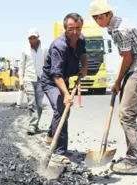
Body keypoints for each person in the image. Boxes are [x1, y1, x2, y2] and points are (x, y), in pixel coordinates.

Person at [89, 0, 137, 174]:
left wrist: (117, 81)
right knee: (126, 111)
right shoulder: (115, 25)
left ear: (108, 14)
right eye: (95, 18)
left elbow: (126, 58)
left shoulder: (118, 29)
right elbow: (125, 56)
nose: (97, 21)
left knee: (126, 114)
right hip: (136, 65)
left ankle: (133, 161)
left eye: (99, 17)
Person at [41, 13, 88, 164]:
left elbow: (82, 53)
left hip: (64, 79)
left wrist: (85, 67)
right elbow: (56, 75)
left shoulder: (80, 39)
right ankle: (59, 152)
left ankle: (50, 135)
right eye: (71, 29)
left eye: (78, 28)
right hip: (51, 82)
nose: (75, 32)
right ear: (65, 28)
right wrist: (67, 95)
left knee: (60, 110)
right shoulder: (58, 46)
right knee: (62, 109)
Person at [19, 28, 48, 135]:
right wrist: (21, 80)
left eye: (34, 38)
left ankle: (36, 125)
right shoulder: (25, 50)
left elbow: (47, 64)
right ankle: (32, 125)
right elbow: (21, 66)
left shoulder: (44, 49)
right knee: (32, 103)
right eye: (30, 38)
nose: (32, 40)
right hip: (28, 78)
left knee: (39, 104)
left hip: (41, 79)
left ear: (38, 37)